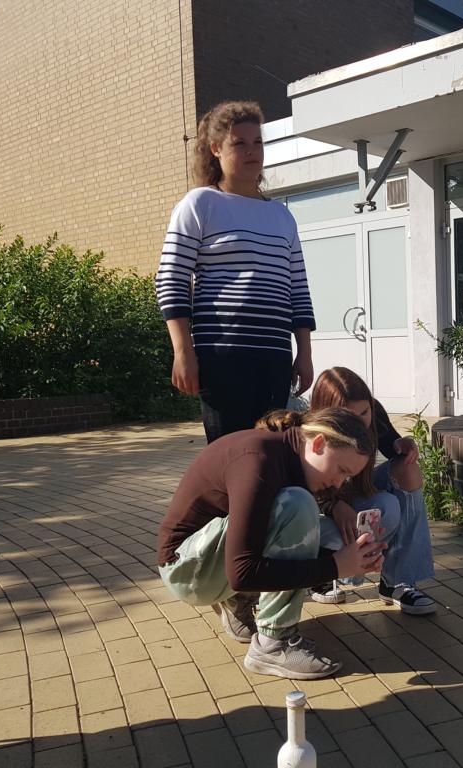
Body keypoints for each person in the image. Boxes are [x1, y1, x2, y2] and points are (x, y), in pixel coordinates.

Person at [156, 407, 386, 680]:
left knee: (338, 537)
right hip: (188, 572)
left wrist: (353, 559)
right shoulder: (258, 461)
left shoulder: (290, 455)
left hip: (214, 558)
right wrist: (336, 567)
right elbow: (241, 573)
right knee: (297, 505)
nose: (338, 483)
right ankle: (272, 645)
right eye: (340, 470)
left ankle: (236, 600)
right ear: (318, 443)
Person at [155, 100, 315, 443]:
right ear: (216, 149)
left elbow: (298, 290)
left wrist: (304, 353)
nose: (251, 151)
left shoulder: (282, 216)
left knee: (273, 452)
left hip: (274, 359)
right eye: (239, 143)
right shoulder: (200, 204)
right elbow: (171, 280)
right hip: (222, 358)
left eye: (257, 142)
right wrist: (183, 352)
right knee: (231, 454)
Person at [307, 367, 437, 615]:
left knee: (404, 475)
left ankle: (398, 581)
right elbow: (302, 486)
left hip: (352, 497)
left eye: (364, 412)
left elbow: (391, 443)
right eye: (349, 416)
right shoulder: (310, 432)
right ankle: (320, 574)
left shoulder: (374, 414)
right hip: (317, 509)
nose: (360, 423)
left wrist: (401, 444)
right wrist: (333, 505)